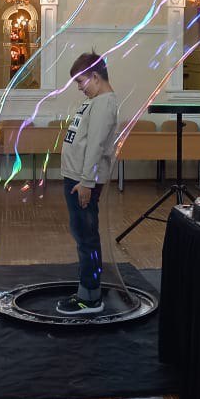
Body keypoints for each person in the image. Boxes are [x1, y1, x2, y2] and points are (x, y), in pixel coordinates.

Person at [56, 50, 118, 316]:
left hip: (83, 181)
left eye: (81, 81)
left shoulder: (104, 103)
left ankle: (90, 298)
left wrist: (86, 182)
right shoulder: (95, 101)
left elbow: (95, 146)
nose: (79, 87)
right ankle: (87, 290)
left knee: (86, 237)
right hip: (77, 177)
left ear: (95, 76)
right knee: (82, 234)